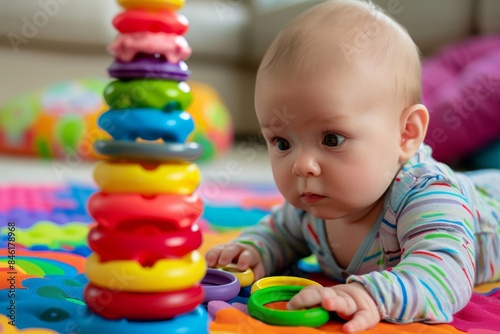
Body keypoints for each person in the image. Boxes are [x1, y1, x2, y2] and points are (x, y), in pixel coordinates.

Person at [205, 0, 500, 332]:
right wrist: (254, 251)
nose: (301, 166)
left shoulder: (428, 197)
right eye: (282, 143)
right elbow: (279, 232)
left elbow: (444, 275)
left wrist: (372, 295)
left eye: (331, 139)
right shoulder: (311, 207)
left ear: (406, 133)